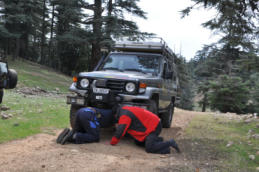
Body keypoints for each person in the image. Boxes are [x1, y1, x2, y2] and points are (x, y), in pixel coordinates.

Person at [110, 105, 180, 154]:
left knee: (149, 148)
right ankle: (158, 141)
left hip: (154, 127)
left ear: (115, 115)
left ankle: (170, 143)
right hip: (152, 124)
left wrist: (112, 143)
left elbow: (120, 131)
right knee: (138, 142)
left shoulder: (124, 115)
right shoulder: (125, 109)